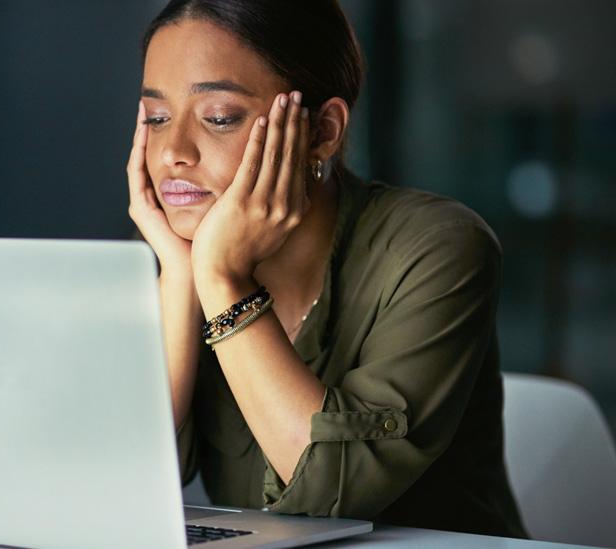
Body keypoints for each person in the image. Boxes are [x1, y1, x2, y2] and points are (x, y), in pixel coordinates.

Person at [126, 0, 528, 538]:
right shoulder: (168, 252)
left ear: (323, 131)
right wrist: (180, 277)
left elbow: (335, 492)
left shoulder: (439, 247)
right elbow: (124, 477)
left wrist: (222, 280)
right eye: (156, 118)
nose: (172, 151)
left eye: (219, 117)